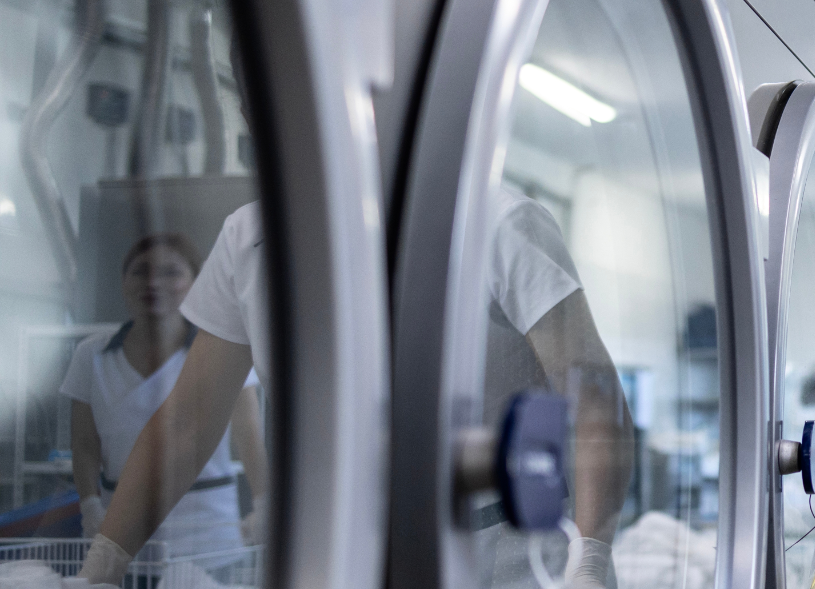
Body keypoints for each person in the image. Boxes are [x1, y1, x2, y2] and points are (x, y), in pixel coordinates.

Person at [72, 189, 630, 589]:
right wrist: (103, 564)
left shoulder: (497, 221)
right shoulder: (248, 240)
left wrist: (589, 566)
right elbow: (188, 423)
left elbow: (594, 396)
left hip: (507, 556)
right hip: (343, 553)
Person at [62, 235, 267, 569]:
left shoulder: (222, 350)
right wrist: (91, 507)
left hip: (208, 534)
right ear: (123, 281)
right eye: (140, 271)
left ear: (196, 283)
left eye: (171, 272)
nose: (153, 283)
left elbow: (248, 433)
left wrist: (264, 501)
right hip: (122, 534)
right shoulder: (92, 355)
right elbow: (84, 444)